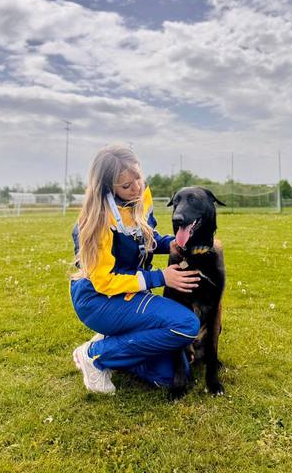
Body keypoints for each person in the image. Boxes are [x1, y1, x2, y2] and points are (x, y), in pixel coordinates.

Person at [70, 144, 201, 394]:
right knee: (186, 325)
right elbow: (104, 282)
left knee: (171, 375)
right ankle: (94, 356)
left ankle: (114, 341)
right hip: (98, 299)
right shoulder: (98, 219)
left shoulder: (141, 195)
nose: (137, 188)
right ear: (108, 188)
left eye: (138, 178)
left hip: (129, 292)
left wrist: (170, 244)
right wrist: (160, 277)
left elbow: (145, 238)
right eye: (126, 186)